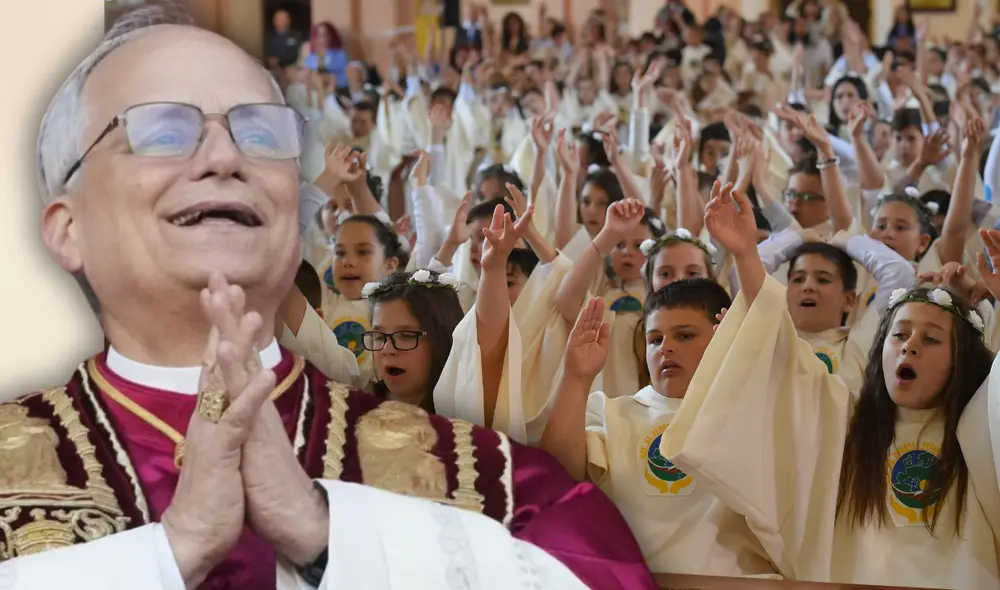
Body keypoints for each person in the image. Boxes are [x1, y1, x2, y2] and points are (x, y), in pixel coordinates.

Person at [3, 6, 659, 589]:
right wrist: (170, 555)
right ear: (69, 228)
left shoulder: (502, 482)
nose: (224, 156)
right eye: (162, 129)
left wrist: (326, 533)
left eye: (261, 131)